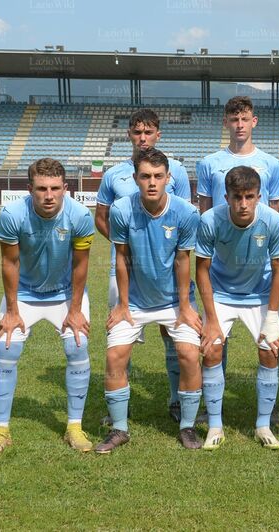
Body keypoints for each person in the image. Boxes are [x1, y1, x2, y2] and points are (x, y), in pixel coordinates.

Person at [0, 158, 94, 456]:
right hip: (23, 293)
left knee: (77, 345)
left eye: (55, 188)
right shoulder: (12, 215)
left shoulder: (80, 215)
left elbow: (81, 266)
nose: (49, 195)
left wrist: (75, 310)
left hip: (65, 294)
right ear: (29, 189)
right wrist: (11, 311)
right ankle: (1, 430)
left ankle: (74, 427)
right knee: (7, 347)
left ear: (65, 188)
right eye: (42, 189)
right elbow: (10, 263)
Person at [96, 148, 203, 452]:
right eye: (145, 176)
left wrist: (185, 307)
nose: (152, 182)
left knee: (189, 354)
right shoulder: (121, 210)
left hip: (174, 301)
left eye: (158, 176)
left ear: (168, 178)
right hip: (135, 302)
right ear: (135, 178)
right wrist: (122, 304)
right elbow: (122, 258)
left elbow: (183, 260)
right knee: (115, 356)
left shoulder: (186, 212)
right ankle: (119, 429)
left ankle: (187, 427)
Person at [195, 95, 279, 396]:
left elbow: (273, 214)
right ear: (226, 123)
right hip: (221, 269)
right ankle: (215, 399)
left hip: (259, 272)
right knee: (216, 340)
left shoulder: (271, 164)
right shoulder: (209, 163)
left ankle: (268, 406)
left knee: (269, 343)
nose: (240, 125)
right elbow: (205, 212)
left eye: (245, 119)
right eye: (234, 119)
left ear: (254, 121)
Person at [195, 166, 279, 450]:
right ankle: (215, 425)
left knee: (269, 351)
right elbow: (201, 269)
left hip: (259, 294)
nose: (243, 204)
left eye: (249, 197)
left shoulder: (272, 221)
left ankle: (263, 425)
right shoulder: (210, 220)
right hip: (221, 294)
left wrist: (272, 316)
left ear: (259, 196)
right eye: (237, 197)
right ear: (226, 197)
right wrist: (211, 319)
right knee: (212, 349)